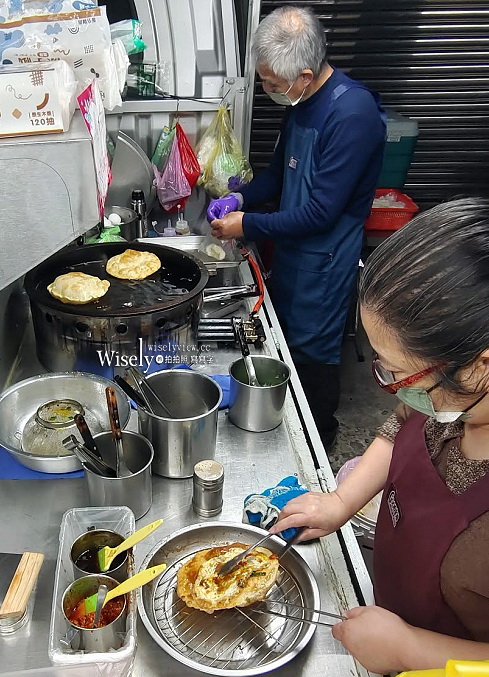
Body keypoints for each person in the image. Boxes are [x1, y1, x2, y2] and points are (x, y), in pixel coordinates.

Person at [269, 196, 489, 674]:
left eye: (396, 374)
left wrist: (412, 652)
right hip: (395, 615)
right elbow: (406, 421)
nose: (390, 387)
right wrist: (342, 501)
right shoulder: (473, 359)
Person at [206, 5, 386, 448]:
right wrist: (243, 196)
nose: (267, 89)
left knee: (313, 357)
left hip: (324, 261)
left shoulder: (352, 116)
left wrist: (245, 223)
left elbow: (322, 213)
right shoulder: (301, 102)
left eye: (272, 83)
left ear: (304, 76)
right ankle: (284, 426)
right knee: (282, 341)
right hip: (290, 249)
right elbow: (279, 176)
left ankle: (320, 442)